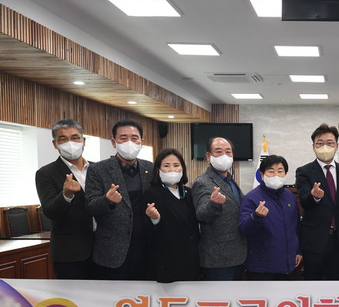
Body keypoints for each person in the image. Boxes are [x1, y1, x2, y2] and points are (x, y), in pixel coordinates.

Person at [85, 119, 154, 280]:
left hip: (146, 247)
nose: (129, 142)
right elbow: (90, 206)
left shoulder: (150, 168)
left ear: (141, 142)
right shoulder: (98, 169)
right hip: (112, 250)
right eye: (123, 138)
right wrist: (107, 200)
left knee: (145, 294)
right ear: (113, 142)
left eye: (134, 138)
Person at [34, 119, 94, 279]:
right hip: (70, 254)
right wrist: (66, 195)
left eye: (75, 138)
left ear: (83, 141)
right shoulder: (45, 174)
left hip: (102, 251)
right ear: (55, 144)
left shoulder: (98, 169)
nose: (70, 143)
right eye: (63, 139)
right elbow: (49, 211)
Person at [295, 124, 339, 280]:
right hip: (315, 241)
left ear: (337, 146)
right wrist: (314, 196)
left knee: (336, 284)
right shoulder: (304, 171)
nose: (325, 147)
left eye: (330, 143)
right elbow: (304, 201)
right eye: (320, 143)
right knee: (312, 284)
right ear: (313, 147)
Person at [192, 137, 247, 281]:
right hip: (218, 258)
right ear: (208, 156)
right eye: (218, 151)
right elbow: (201, 215)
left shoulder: (230, 180)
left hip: (237, 254)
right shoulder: (202, 182)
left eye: (228, 152)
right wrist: (213, 204)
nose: (224, 155)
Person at [239, 155, 301, 280]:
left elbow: (295, 227)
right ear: (262, 175)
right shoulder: (251, 198)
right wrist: (256, 217)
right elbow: (243, 229)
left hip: (288, 265)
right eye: (271, 171)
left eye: (280, 171)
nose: (276, 175)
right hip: (262, 268)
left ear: (285, 174)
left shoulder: (290, 196)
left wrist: (298, 251)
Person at [143, 148, 200, 283]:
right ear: (158, 169)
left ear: (182, 168)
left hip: (191, 260)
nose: (172, 170)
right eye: (166, 166)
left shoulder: (189, 193)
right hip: (167, 262)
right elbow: (146, 232)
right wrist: (154, 219)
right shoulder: (152, 194)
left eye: (176, 165)